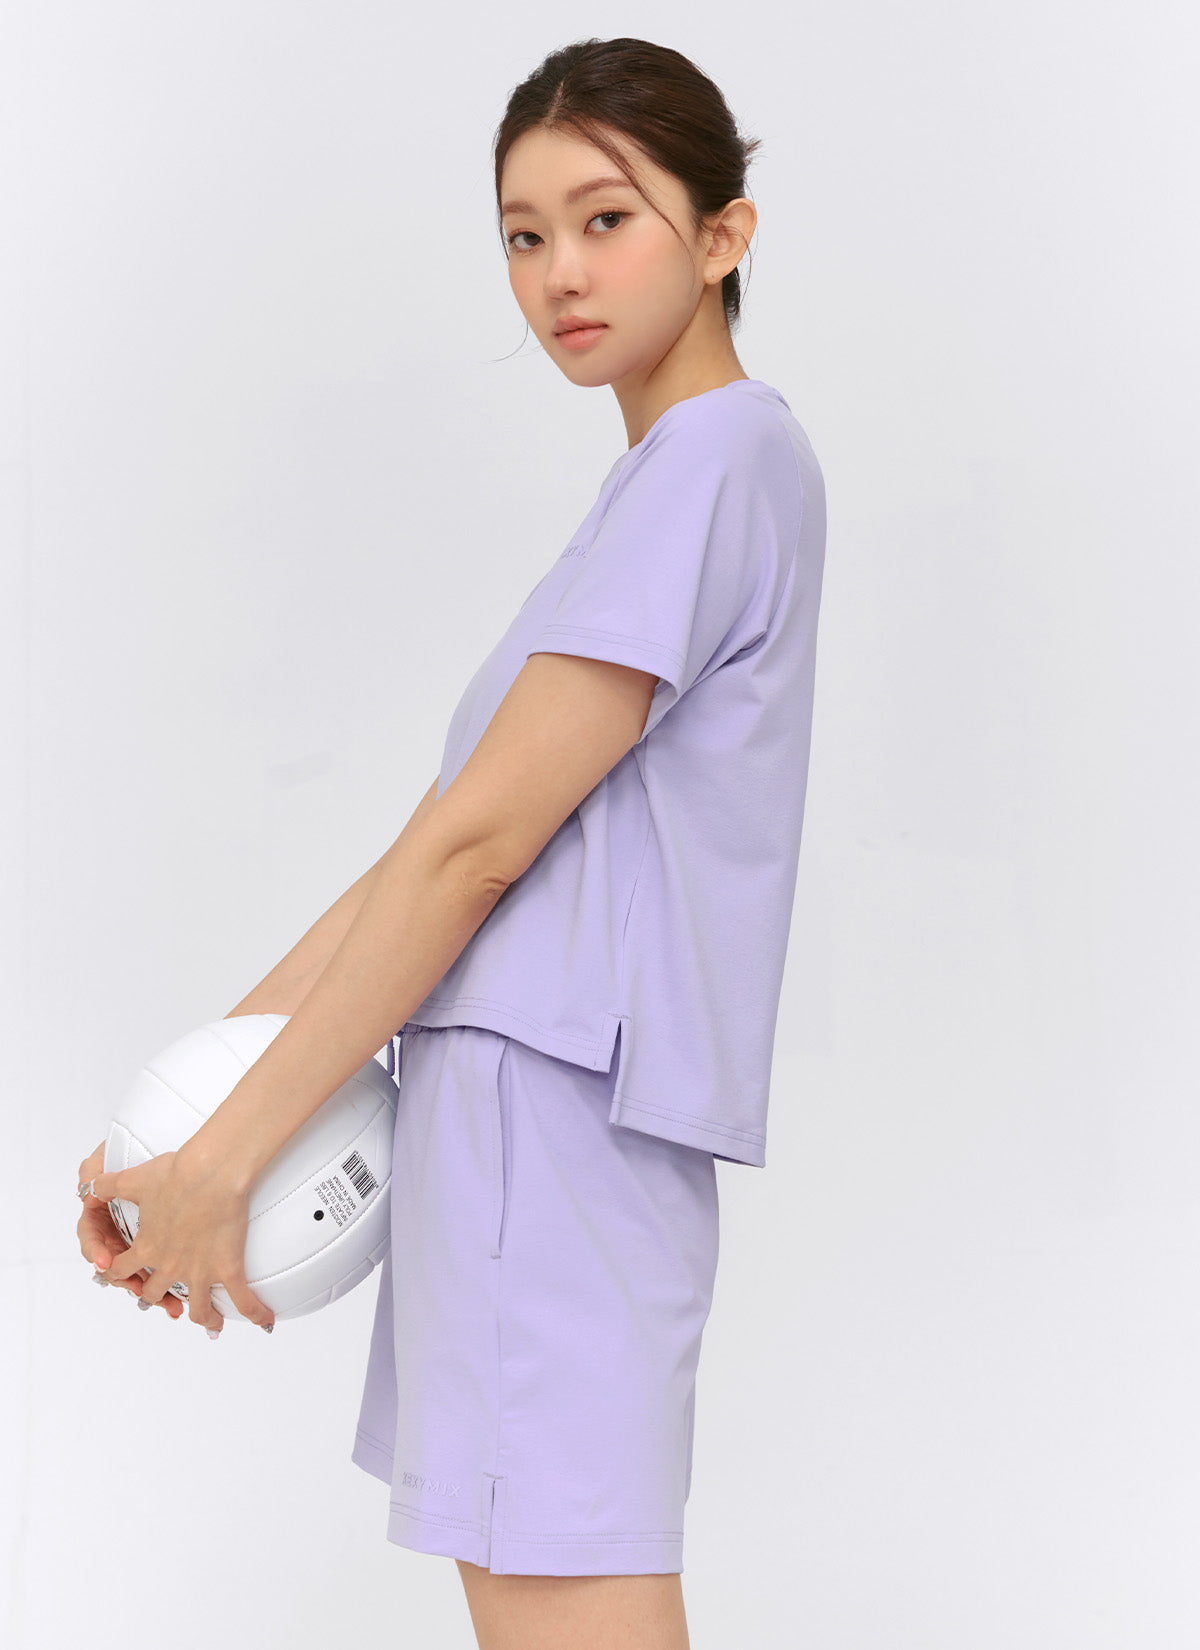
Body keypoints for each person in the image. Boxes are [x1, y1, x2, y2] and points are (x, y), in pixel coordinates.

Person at [76, 35, 826, 1650]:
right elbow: (433, 844)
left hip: (548, 1121)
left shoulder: (715, 460)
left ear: (723, 234)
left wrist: (227, 1154)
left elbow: (471, 852)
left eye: (606, 218)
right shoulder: (668, 485)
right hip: (534, 1120)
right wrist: (185, 1137)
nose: (560, 272)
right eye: (524, 233)